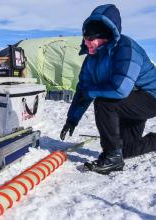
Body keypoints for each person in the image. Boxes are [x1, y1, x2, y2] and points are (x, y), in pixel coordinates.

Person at [60, 4, 156, 175]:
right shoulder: (91, 59)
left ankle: (112, 158)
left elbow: (119, 89)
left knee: (104, 103)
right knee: (126, 149)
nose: (86, 42)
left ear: (105, 37)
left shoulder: (127, 49)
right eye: (85, 37)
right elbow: (83, 89)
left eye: (91, 38)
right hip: (131, 100)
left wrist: (92, 92)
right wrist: (72, 119)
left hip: (150, 97)